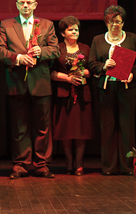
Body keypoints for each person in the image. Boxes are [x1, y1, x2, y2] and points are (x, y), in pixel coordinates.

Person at [0, 0, 60, 179]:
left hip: (40, 81)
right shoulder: (6, 24)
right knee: (19, 127)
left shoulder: (47, 24)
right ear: (16, 5)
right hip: (16, 81)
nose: (25, 5)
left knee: (43, 127)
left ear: (35, 5)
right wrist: (17, 58)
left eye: (29, 2)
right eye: (22, 2)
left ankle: (41, 165)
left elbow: (56, 50)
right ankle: (21, 165)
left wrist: (42, 51)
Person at [89, 5, 136, 176]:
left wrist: (132, 74)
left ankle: (128, 166)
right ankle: (108, 167)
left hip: (126, 88)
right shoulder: (98, 40)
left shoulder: (132, 38)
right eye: (111, 22)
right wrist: (104, 66)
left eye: (118, 22)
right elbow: (91, 63)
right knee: (108, 128)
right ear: (106, 22)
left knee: (127, 127)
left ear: (123, 22)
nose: (115, 25)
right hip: (106, 89)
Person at [50, 16, 93, 176]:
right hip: (64, 95)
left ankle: (79, 163)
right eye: (70, 29)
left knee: (81, 130)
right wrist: (68, 78)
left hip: (82, 95)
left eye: (76, 29)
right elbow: (50, 73)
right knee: (66, 130)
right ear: (62, 33)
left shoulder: (86, 48)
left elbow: (93, 70)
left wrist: (83, 72)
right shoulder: (57, 49)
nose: (75, 32)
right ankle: (69, 161)